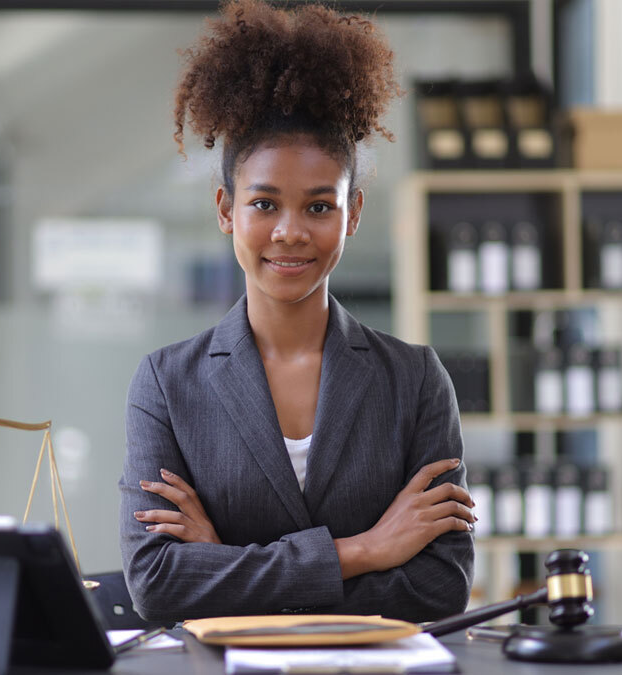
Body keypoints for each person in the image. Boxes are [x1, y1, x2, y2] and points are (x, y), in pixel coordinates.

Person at [119, 0, 474, 624]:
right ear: (227, 209)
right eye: (264, 205)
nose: (290, 232)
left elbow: (440, 585)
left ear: (353, 213)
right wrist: (365, 550)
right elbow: (157, 583)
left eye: (318, 207)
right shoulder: (167, 383)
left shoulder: (414, 379)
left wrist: (227, 562)